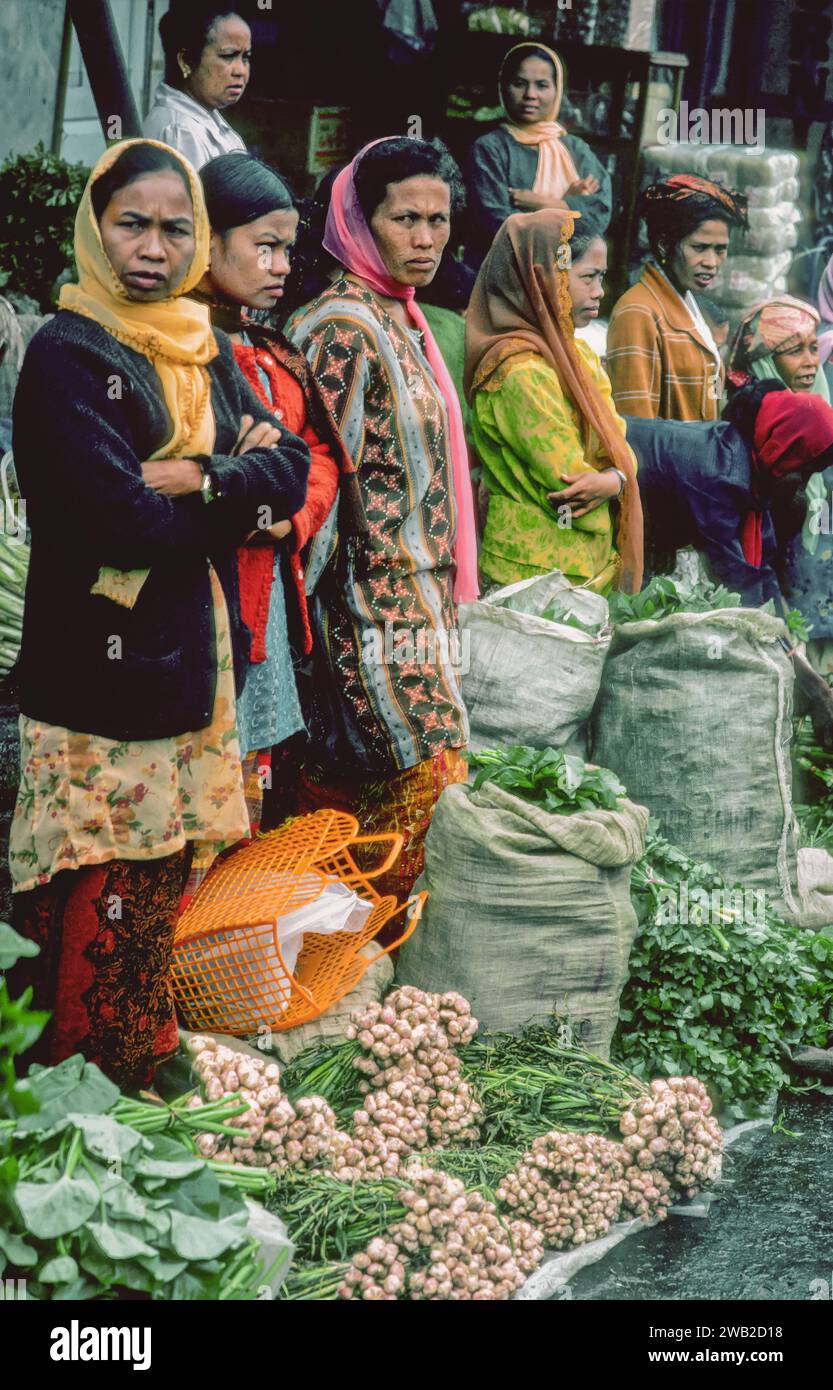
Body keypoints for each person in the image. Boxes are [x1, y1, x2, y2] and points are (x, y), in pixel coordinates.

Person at [7, 140, 310, 1087]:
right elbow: (118, 521)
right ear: (96, 230)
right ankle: (72, 1068)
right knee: (92, 867)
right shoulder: (67, 355)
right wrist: (232, 489)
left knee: (160, 864)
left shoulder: (199, 338)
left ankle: (139, 1048)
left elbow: (289, 473)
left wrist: (200, 475)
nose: (151, 245)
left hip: (187, 651)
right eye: (131, 224)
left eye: (175, 228)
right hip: (95, 665)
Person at [287, 136, 479, 903]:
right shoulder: (341, 327)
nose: (426, 238)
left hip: (419, 602)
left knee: (374, 786)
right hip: (366, 605)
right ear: (362, 224)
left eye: (437, 220)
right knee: (425, 775)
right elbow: (318, 485)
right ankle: (359, 936)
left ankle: (357, 947)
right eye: (405, 219)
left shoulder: (401, 318)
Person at [196, 150, 369, 827]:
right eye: (262, 247)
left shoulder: (272, 352)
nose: (279, 267)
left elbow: (317, 454)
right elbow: (209, 479)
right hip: (206, 612)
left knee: (247, 795)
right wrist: (262, 488)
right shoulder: (180, 354)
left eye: (286, 250)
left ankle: (225, 929)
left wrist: (286, 520)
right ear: (205, 239)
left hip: (267, 600)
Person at [464, 215, 643, 595]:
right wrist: (617, 477)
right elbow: (569, 478)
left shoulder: (578, 355)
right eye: (587, 277)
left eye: (601, 277)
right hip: (532, 572)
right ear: (544, 278)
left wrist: (616, 477)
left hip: (586, 564)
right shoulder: (518, 371)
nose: (599, 292)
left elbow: (620, 445)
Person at [625, 383, 833, 608]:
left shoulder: (752, 460)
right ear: (784, 449)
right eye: (803, 472)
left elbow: (765, 562)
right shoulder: (722, 476)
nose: (802, 485)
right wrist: (771, 635)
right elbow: (735, 575)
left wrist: (780, 626)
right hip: (601, 475)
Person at [607, 174, 748, 422]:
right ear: (664, 245)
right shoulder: (638, 312)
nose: (711, 262)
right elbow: (636, 425)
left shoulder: (691, 306)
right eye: (699, 247)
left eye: (720, 250)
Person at [465, 42, 611, 269]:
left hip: (565, 273)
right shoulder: (490, 148)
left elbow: (599, 214)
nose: (530, 95)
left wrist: (543, 203)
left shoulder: (575, 149)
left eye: (542, 85)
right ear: (503, 88)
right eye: (519, 84)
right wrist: (569, 207)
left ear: (557, 90)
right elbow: (498, 224)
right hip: (504, 273)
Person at [144, 2, 251, 169]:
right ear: (186, 61)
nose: (240, 71)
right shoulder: (180, 134)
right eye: (228, 56)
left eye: (245, 57)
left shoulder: (203, 117)